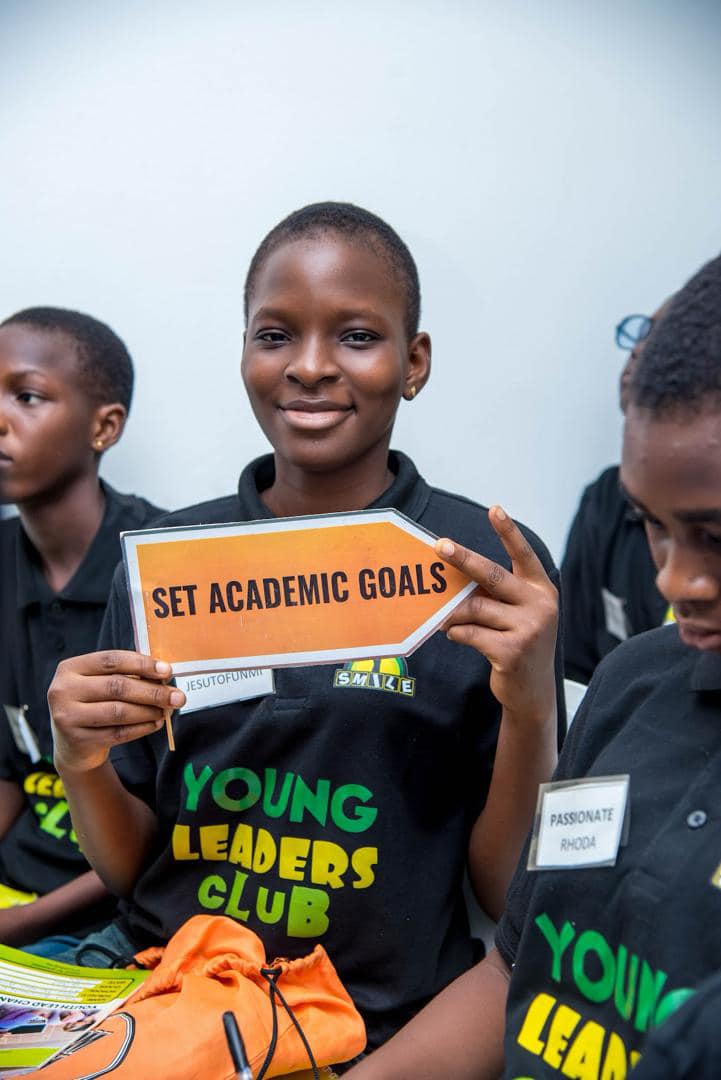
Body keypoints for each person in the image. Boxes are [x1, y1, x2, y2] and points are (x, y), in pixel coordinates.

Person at [47, 202, 564, 1056]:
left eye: (356, 337)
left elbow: (508, 898)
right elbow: (134, 868)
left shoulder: (483, 567)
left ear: (414, 362)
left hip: (367, 1019)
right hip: (156, 982)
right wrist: (80, 760)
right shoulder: (169, 561)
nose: (311, 366)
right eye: (275, 335)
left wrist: (531, 705)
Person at [345, 250, 721, 1078]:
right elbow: (514, 968)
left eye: (714, 537)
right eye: (652, 525)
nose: (672, 582)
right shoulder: (631, 683)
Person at [0, 307, 163, 954]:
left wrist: (21, 925)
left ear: (104, 427)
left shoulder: (163, 566)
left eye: (27, 397)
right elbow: (8, 770)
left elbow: (172, 828)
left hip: (114, 915)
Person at [561, 300, 673, 684]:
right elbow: (571, 666)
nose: (639, 349)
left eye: (664, 338)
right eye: (642, 333)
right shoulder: (606, 498)